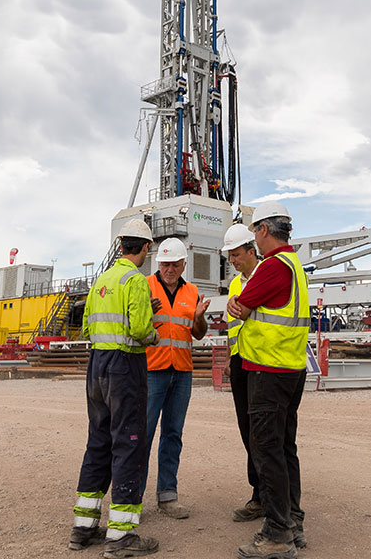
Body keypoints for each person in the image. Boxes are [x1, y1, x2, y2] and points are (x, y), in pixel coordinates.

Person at [71, 218, 162, 559]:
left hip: (96, 366)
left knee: (99, 442)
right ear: (146, 247)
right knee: (129, 444)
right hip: (125, 367)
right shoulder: (135, 280)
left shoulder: (101, 281)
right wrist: (152, 331)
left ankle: (83, 528)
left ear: (121, 244)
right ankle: (120, 535)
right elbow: (139, 331)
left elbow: (85, 327)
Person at [225, 201, 309, 559]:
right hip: (289, 369)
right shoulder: (294, 264)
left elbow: (242, 303)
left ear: (261, 231)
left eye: (253, 234)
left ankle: (277, 534)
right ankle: (292, 520)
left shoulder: (274, 266)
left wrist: (245, 305)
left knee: (268, 449)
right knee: (284, 447)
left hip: (269, 372)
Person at [140, 237, 210, 518]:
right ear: (158, 264)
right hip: (151, 371)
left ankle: (167, 496)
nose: (169, 269)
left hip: (181, 372)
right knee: (141, 436)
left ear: (184, 264)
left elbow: (199, 333)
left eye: (175, 264)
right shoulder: (144, 286)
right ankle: (131, 499)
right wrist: (148, 312)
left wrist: (200, 317)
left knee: (173, 435)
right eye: (165, 264)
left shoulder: (192, 291)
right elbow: (132, 325)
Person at [222, 223, 263, 523]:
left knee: (264, 432)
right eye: (230, 257)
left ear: (252, 251)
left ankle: (269, 495)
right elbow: (231, 325)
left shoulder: (267, 275)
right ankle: (258, 493)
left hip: (262, 362)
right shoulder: (235, 284)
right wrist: (228, 357)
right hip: (239, 362)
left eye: (236, 255)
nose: (233, 261)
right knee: (246, 429)